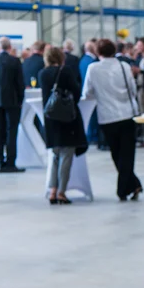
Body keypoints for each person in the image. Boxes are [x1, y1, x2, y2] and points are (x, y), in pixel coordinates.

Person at [82, 39, 142, 200]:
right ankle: (132, 185)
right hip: (127, 113)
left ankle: (124, 189)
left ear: (98, 52)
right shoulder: (124, 66)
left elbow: (87, 93)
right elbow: (133, 89)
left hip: (107, 116)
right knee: (128, 154)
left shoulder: (93, 68)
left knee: (116, 154)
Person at [39, 47, 87, 204]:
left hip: (51, 118)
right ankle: (61, 192)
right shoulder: (65, 71)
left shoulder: (42, 74)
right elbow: (77, 92)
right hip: (67, 118)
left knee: (55, 155)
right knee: (67, 155)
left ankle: (52, 190)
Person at [0, 37, 25, 173]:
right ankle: (10, 163)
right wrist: (20, 100)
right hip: (12, 101)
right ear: (9, 47)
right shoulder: (14, 61)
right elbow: (20, 84)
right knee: (11, 132)